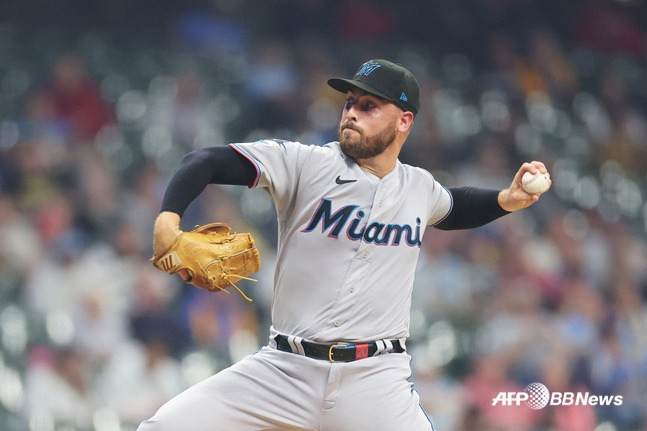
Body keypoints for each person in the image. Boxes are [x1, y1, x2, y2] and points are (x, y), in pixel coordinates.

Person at [139, 59, 551, 431]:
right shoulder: (305, 163)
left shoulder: (418, 187)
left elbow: (454, 205)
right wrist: (168, 218)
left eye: (369, 106)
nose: (352, 112)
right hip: (284, 370)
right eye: (349, 102)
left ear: (404, 121)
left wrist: (506, 200)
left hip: (374, 381)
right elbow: (204, 161)